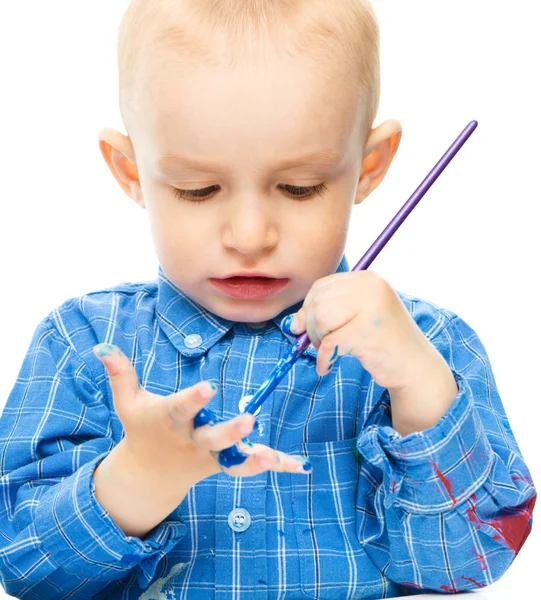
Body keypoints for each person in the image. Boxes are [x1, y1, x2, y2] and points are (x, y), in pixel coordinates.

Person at [0, 0, 536, 598]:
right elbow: (25, 569)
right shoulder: (83, 343)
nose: (250, 237)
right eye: (198, 190)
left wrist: (421, 393)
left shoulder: (430, 348)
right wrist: (137, 480)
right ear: (130, 172)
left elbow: (466, 566)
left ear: (368, 165)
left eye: (299, 187)